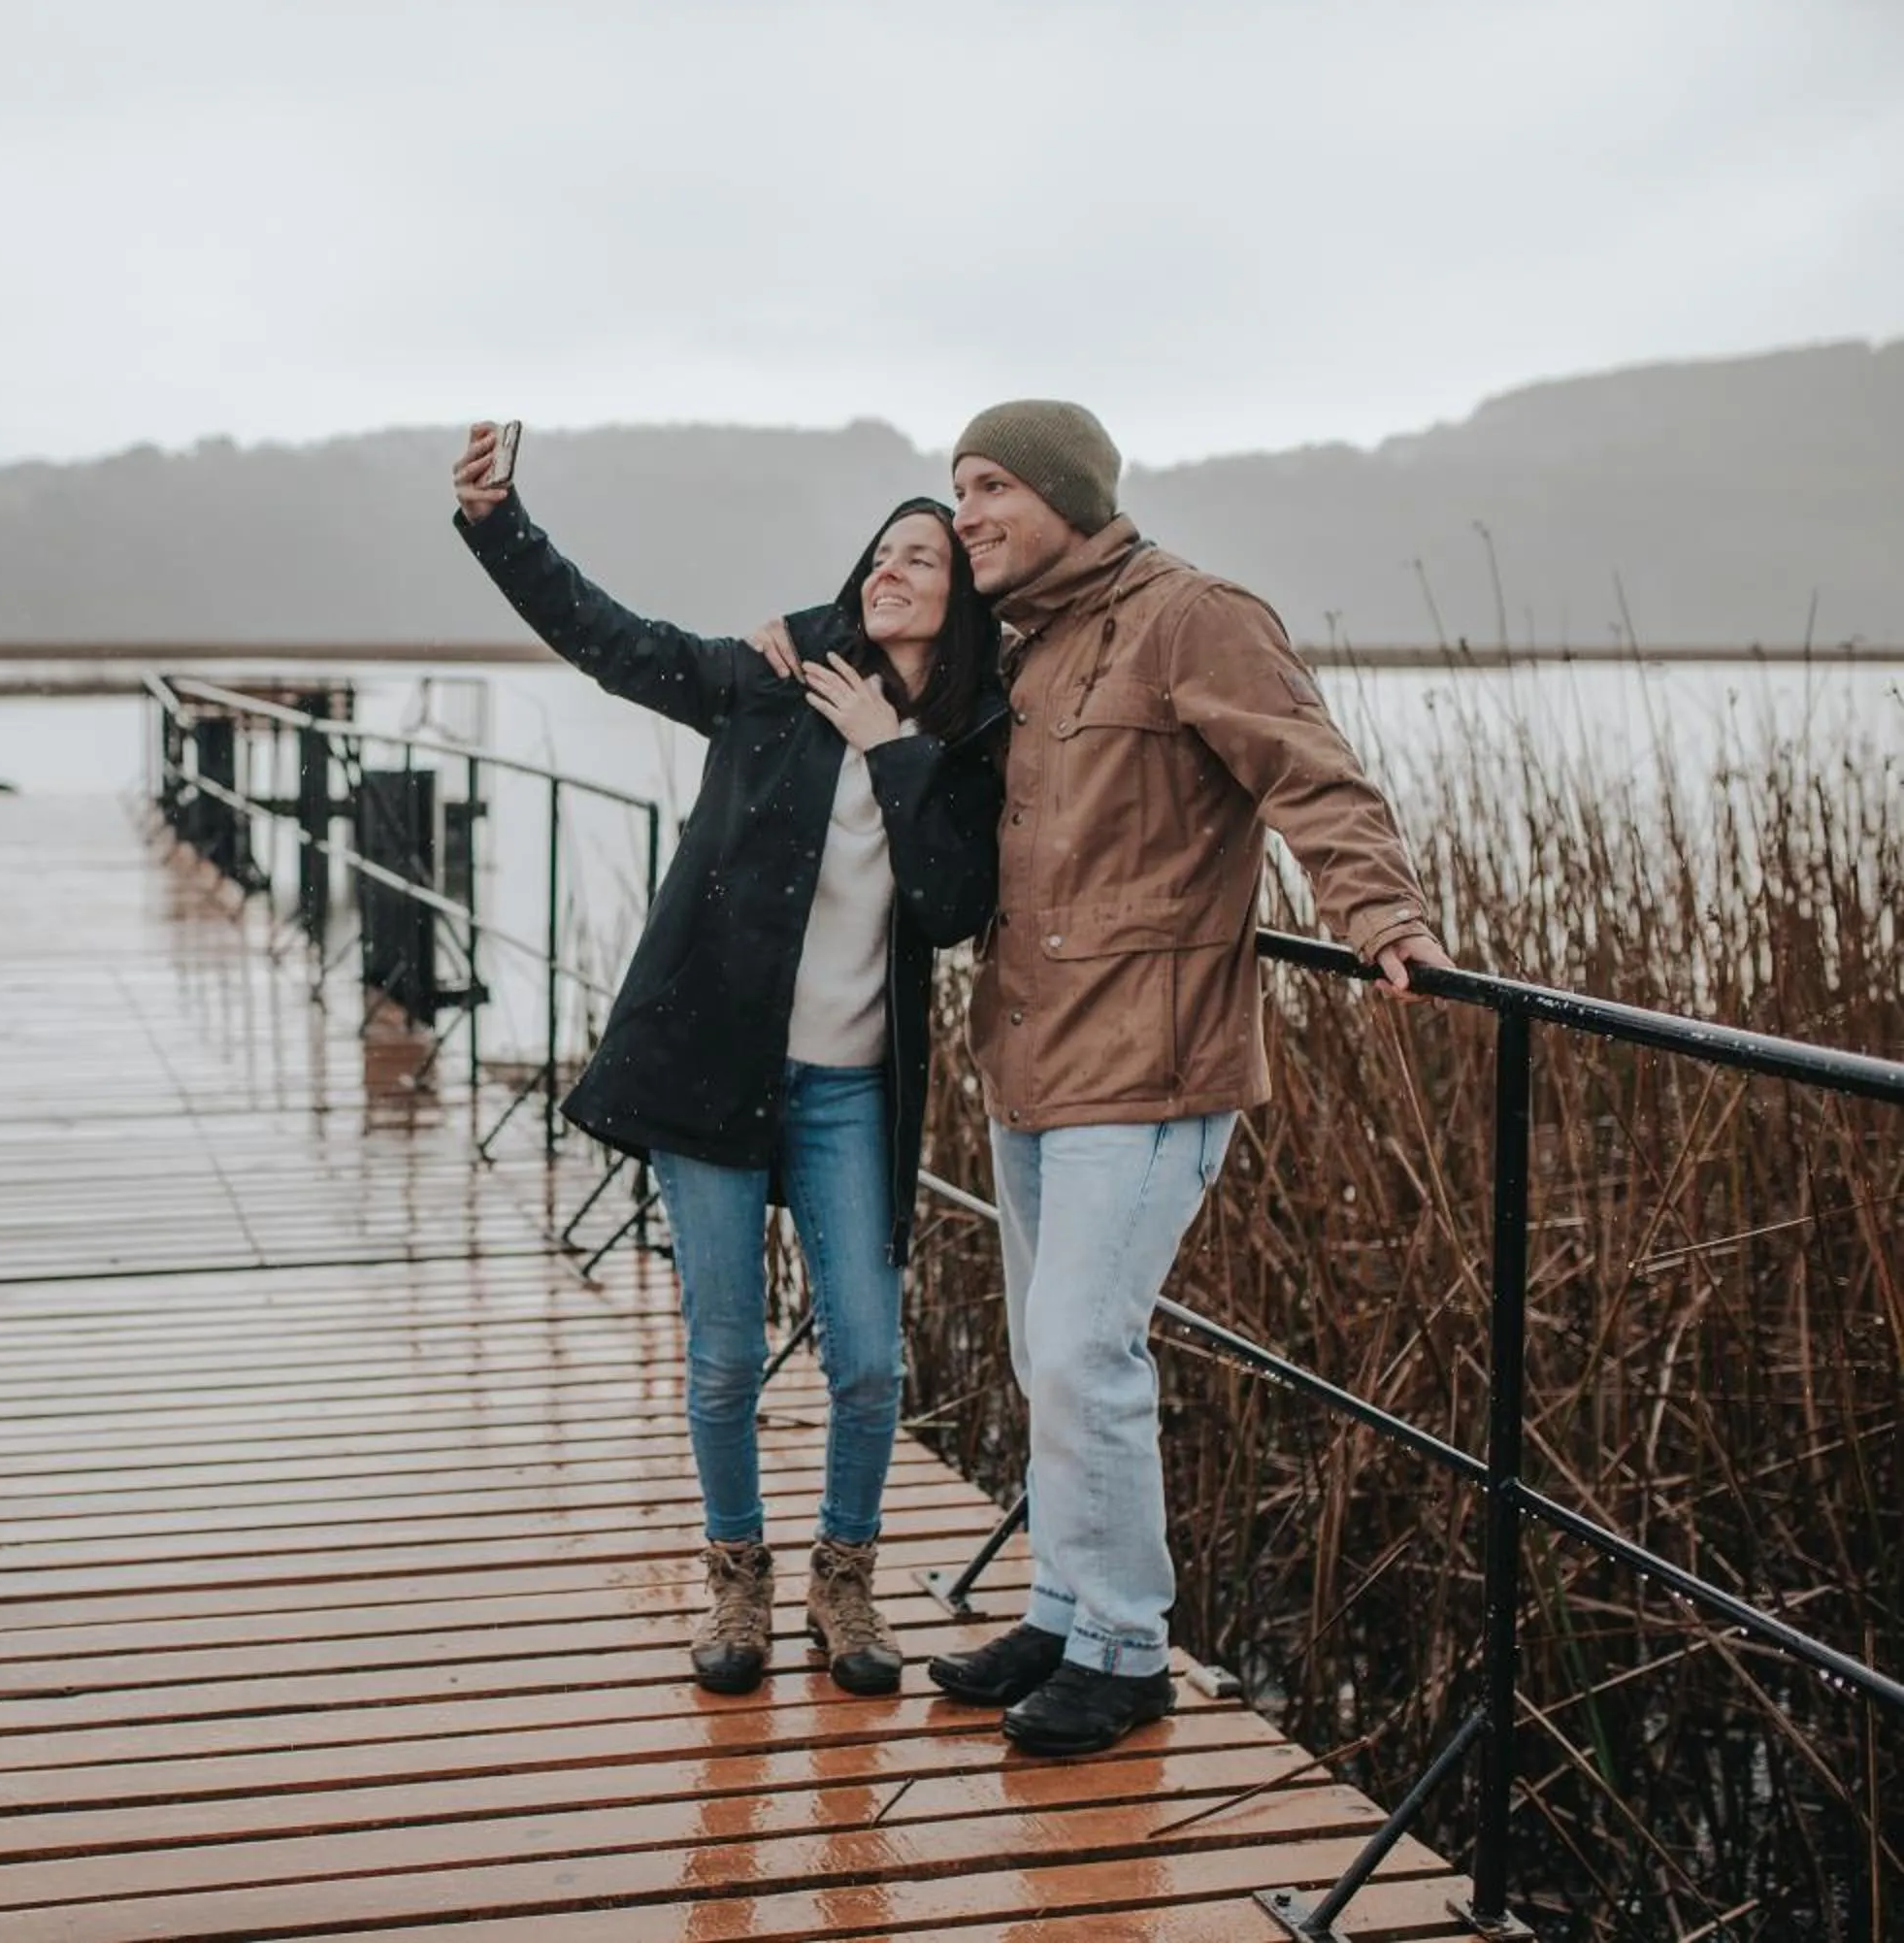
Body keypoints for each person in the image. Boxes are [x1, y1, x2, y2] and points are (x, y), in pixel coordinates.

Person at [752, 399, 1452, 1753]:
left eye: (993, 484)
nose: (966, 514)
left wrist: (1381, 916)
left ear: (1070, 492)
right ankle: (1063, 1608)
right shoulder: (1022, 643)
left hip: (1153, 1059)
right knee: (1042, 1354)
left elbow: (1313, 775)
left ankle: (1125, 1651)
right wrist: (784, 642)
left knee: (1084, 1349)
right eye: (956, 488)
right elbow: (895, 677)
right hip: (1033, 1054)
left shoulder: (1194, 616)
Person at [450, 419, 1006, 1696]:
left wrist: (893, 745)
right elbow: (616, 642)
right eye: (882, 551)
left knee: (870, 1356)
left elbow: (953, 907)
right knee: (720, 1354)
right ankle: (739, 1581)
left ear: (959, 596)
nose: (894, 568)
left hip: (849, 1094)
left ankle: (845, 1578)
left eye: (924, 557)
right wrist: (499, 522)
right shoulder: (768, 680)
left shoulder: (964, 747)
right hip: (709, 1067)